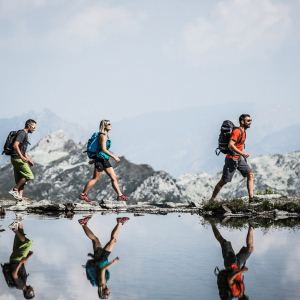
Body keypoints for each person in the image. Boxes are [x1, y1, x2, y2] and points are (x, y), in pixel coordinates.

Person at [210, 114, 261, 203]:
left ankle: (251, 198)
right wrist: (242, 153)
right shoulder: (237, 131)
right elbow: (230, 145)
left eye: (250, 120)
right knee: (223, 181)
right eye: (248, 120)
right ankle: (212, 199)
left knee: (250, 175)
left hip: (238, 158)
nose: (250, 122)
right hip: (231, 159)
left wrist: (240, 154)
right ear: (242, 122)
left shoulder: (243, 131)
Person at [78, 120, 130, 202]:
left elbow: (100, 150)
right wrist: (114, 157)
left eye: (110, 124)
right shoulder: (103, 136)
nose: (111, 125)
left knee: (114, 177)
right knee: (95, 178)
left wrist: (94, 160)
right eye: (108, 124)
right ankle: (83, 194)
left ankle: (120, 195)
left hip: (104, 159)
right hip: (101, 160)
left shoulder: (105, 136)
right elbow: (104, 149)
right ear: (104, 126)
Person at [79, 215, 130, 299]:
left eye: (107, 295)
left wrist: (113, 262)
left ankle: (83, 224)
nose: (109, 293)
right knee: (113, 241)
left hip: (100, 259)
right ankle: (119, 222)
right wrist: (92, 256)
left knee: (95, 239)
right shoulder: (102, 283)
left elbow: (102, 270)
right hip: (102, 259)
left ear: (103, 292)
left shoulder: (101, 283)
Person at [212, 223, 254, 300]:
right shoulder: (241, 291)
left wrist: (241, 271)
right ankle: (251, 226)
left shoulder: (236, 292)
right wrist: (240, 270)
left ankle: (212, 223)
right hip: (237, 265)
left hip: (231, 264)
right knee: (250, 249)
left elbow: (230, 279)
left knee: (223, 242)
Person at [8, 119, 36, 206]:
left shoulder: (25, 135)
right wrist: (22, 157)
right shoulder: (22, 133)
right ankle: (14, 190)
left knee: (21, 178)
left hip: (16, 158)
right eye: (34, 127)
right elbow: (15, 145)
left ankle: (19, 200)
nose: (34, 129)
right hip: (17, 158)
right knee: (29, 175)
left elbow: (23, 150)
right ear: (29, 126)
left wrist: (29, 160)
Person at [5, 220, 35, 299]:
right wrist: (28, 256)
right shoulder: (23, 283)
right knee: (21, 239)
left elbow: (14, 274)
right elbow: (22, 267)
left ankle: (13, 229)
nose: (33, 289)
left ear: (27, 292)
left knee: (27, 243)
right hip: (16, 260)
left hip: (16, 260)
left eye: (32, 291)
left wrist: (20, 261)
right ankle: (20, 220)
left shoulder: (20, 285)